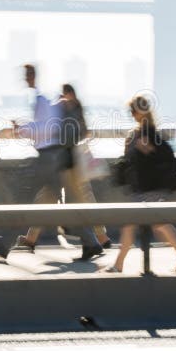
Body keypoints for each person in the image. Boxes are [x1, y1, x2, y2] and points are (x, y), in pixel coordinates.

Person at [6, 65, 104, 261]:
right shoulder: (53, 101)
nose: (26, 78)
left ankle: (4, 244)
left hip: (58, 159)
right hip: (60, 159)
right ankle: (91, 241)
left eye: (28, 75)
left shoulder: (45, 99)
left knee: (49, 201)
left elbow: (47, 128)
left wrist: (22, 129)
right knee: (51, 201)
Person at [104, 95, 176, 273]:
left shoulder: (147, 133)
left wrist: (148, 150)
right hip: (147, 188)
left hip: (151, 189)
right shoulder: (143, 132)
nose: (131, 114)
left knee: (134, 225)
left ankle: (119, 264)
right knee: (158, 225)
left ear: (139, 112)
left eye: (132, 111)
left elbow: (154, 157)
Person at [59, 83, 110, 248]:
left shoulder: (71, 110)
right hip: (73, 160)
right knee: (85, 198)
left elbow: (72, 134)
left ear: (69, 94)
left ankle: (98, 238)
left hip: (71, 161)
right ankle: (100, 236)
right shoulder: (75, 108)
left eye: (65, 94)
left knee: (81, 198)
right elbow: (85, 132)